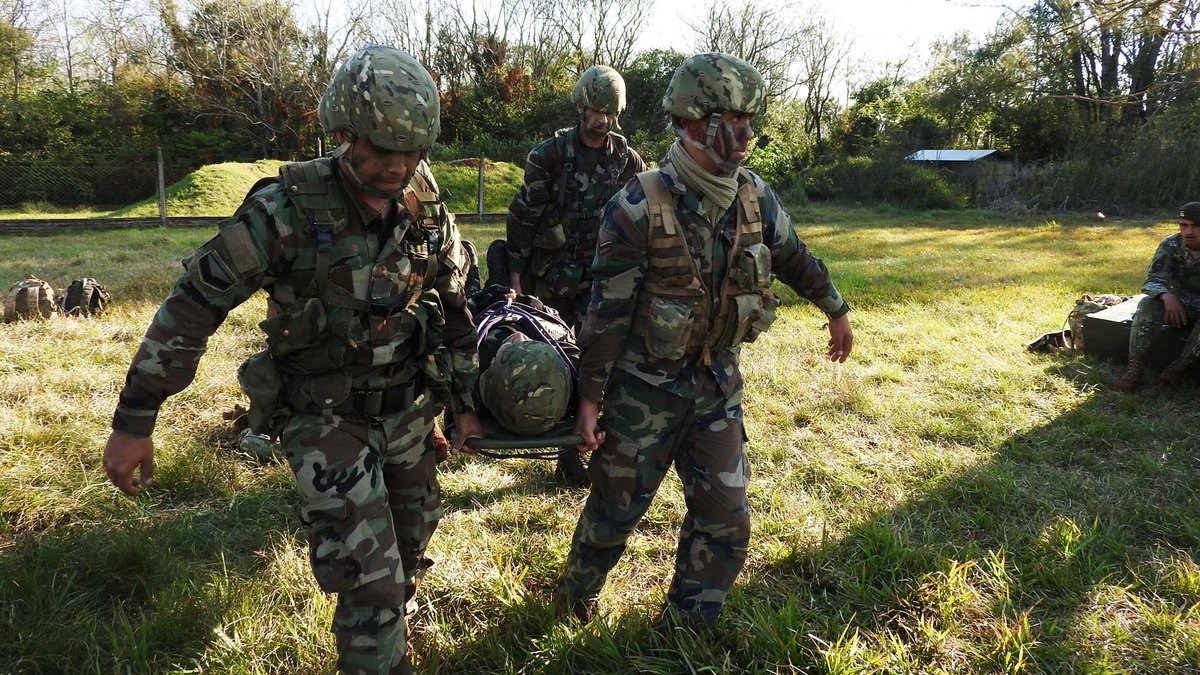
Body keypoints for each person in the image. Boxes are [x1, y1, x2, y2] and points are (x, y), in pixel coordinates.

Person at [101, 46, 483, 675]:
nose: (396, 166)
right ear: (342, 133)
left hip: (409, 414)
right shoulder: (288, 210)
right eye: (381, 149)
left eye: (411, 151)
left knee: (410, 553)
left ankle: (385, 631)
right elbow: (192, 308)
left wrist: (464, 403)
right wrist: (135, 419)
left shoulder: (424, 206)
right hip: (324, 419)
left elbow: (452, 303)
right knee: (371, 581)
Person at [555, 53, 855, 630]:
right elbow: (606, 312)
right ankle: (573, 598)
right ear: (693, 124)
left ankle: (687, 628)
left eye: (748, 120)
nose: (746, 134)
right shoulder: (637, 206)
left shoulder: (754, 197)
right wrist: (590, 397)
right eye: (731, 121)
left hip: (716, 387)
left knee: (726, 520)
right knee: (614, 511)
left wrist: (835, 308)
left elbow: (793, 257)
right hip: (643, 392)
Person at [503, 64, 648, 485]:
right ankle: (547, 433)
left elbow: (643, 218)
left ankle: (577, 449)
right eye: (594, 109)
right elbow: (524, 217)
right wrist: (515, 273)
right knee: (557, 358)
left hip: (603, 279)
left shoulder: (626, 159)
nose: (600, 119)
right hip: (551, 277)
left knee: (597, 359)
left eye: (608, 111)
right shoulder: (548, 155)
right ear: (581, 107)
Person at [469, 285, 579, 437]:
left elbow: (462, 320)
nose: (519, 337)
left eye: (510, 350)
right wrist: (524, 300)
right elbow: (552, 316)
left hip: (492, 312)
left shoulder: (473, 371)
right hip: (536, 316)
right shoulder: (575, 375)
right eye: (529, 343)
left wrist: (490, 296)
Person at [1113, 201, 1200, 392]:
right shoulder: (1171, 244)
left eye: (1196, 226)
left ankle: (1176, 369)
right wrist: (1166, 297)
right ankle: (1134, 371)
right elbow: (1154, 279)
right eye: (1184, 225)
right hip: (1180, 300)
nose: (1189, 232)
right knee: (1147, 304)